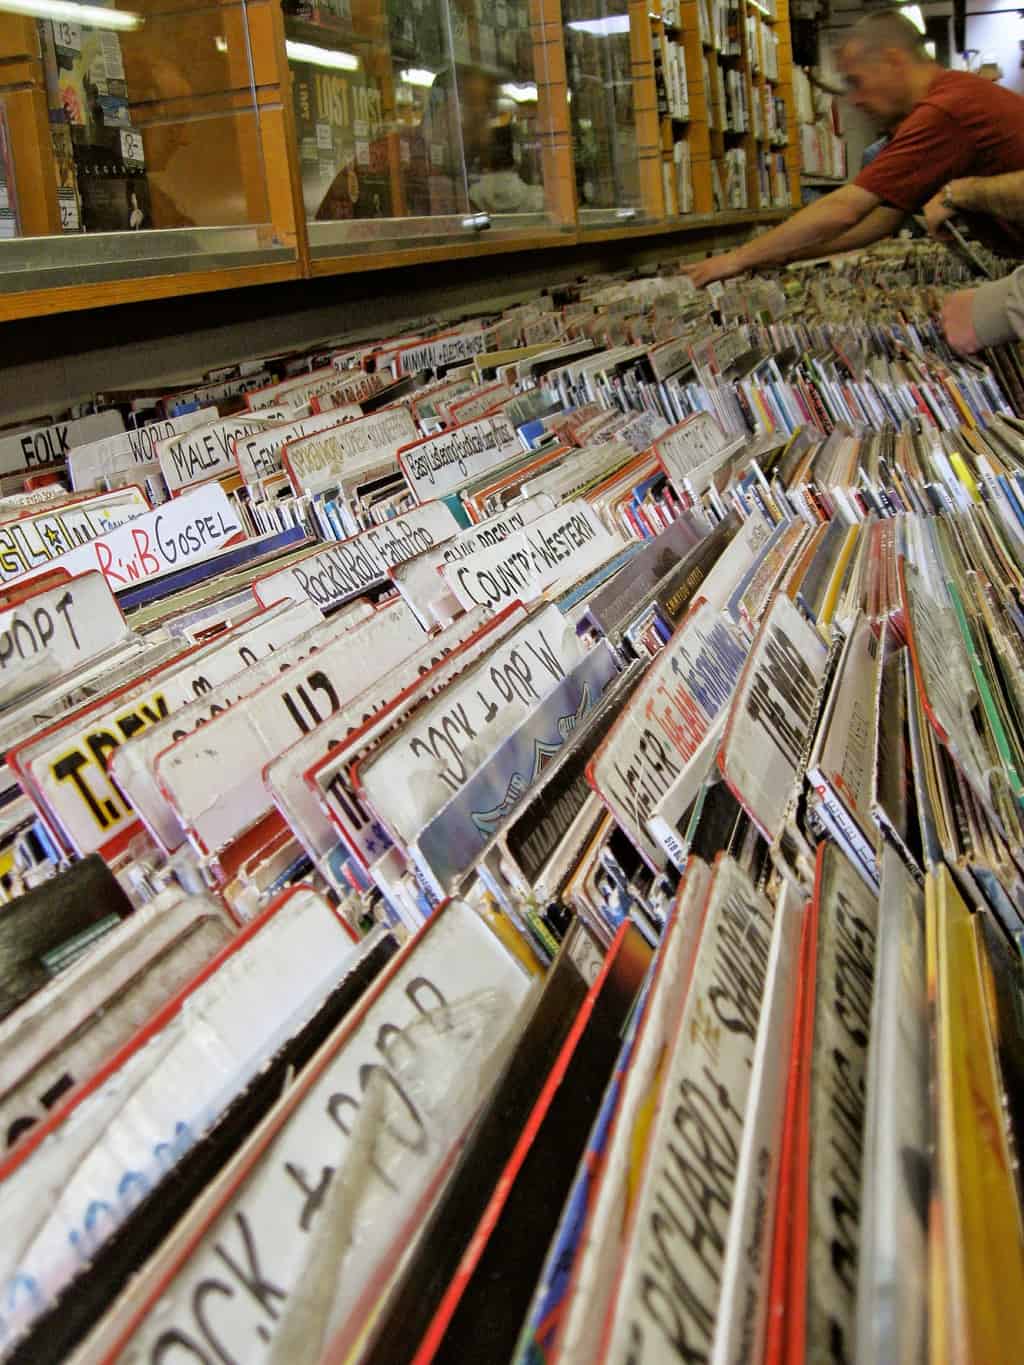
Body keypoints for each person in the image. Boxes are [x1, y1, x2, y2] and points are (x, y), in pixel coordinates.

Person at [683, 10, 1024, 287]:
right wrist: (783, 255)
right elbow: (880, 220)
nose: (856, 100)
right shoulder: (944, 103)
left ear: (893, 61)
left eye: (857, 82)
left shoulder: (944, 111)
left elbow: (845, 208)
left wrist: (735, 260)